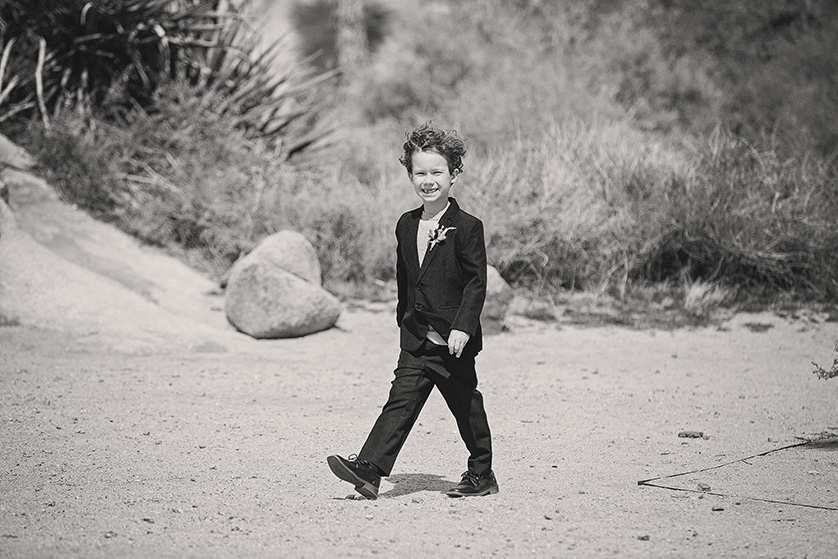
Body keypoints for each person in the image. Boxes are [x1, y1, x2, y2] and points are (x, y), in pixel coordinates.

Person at [327, 122, 497, 499]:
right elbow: (407, 277)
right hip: (417, 336)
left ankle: (482, 473)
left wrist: (463, 327)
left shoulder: (467, 227)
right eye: (420, 172)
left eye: (437, 172)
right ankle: (369, 470)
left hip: (452, 338)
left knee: (465, 405)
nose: (428, 180)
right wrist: (403, 319)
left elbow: (475, 283)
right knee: (400, 401)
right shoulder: (406, 224)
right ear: (409, 175)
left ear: (454, 174)